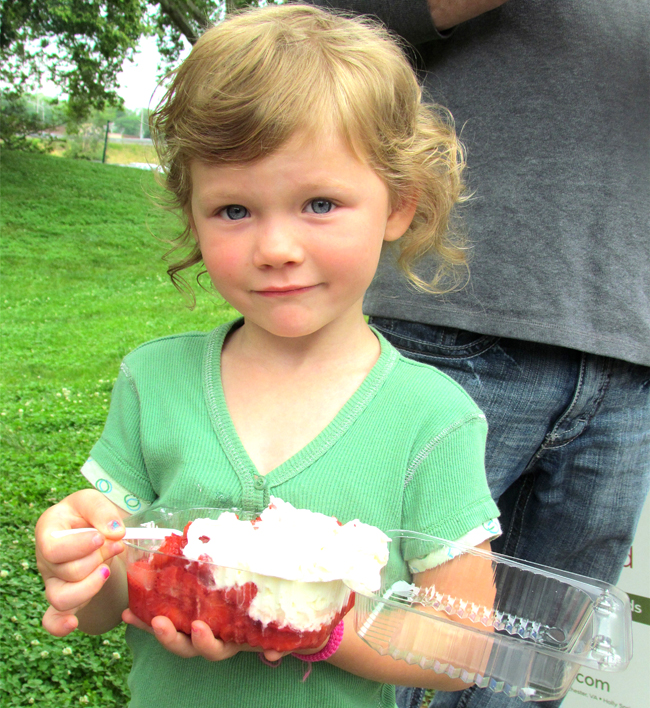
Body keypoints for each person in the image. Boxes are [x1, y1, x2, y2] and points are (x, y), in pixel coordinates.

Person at [34, 6, 503, 708]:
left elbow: (462, 647)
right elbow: (107, 604)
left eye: (319, 202)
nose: (276, 248)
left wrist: (308, 623)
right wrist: (76, 565)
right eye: (233, 210)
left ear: (399, 205)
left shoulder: (432, 418)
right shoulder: (153, 380)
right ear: (191, 212)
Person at [306, 2, 650, 708]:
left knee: (530, 680)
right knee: (350, 629)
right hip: (446, 317)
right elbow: (325, 26)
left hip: (630, 344)